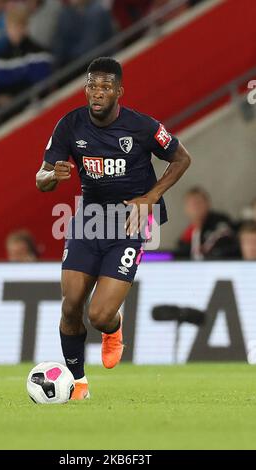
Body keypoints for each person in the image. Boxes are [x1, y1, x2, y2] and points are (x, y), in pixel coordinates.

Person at [36, 57, 191, 400]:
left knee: (100, 315)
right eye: (93, 86)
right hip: (89, 219)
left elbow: (182, 158)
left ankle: (113, 328)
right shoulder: (70, 125)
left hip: (131, 220)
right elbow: (41, 178)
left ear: (119, 91)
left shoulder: (142, 127)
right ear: (85, 89)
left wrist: (151, 197)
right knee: (71, 304)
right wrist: (51, 177)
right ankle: (77, 384)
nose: (98, 93)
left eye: (106, 87)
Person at [0, 4, 53, 97]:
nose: (13, 31)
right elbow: (1, 87)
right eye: (10, 27)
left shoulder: (40, 53)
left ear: (25, 28)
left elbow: (40, 83)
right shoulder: (1, 58)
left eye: (17, 26)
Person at [176, 187, 239, 260]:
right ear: (186, 209)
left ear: (208, 204)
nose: (195, 207)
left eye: (198, 202)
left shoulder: (221, 223)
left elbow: (226, 247)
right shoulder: (187, 235)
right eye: (191, 204)